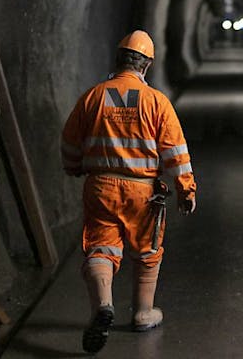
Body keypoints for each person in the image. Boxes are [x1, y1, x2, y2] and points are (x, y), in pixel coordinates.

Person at [60, 30, 197, 353]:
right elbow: (175, 152)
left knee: (101, 248)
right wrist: (186, 190)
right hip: (142, 192)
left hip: (100, 186)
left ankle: (103, 306)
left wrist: (74, 166)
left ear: (117, 60)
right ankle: (142, 313)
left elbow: (69, 140)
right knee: (148, 252)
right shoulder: (156, 102)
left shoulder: (93, 96)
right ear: (146, 65)